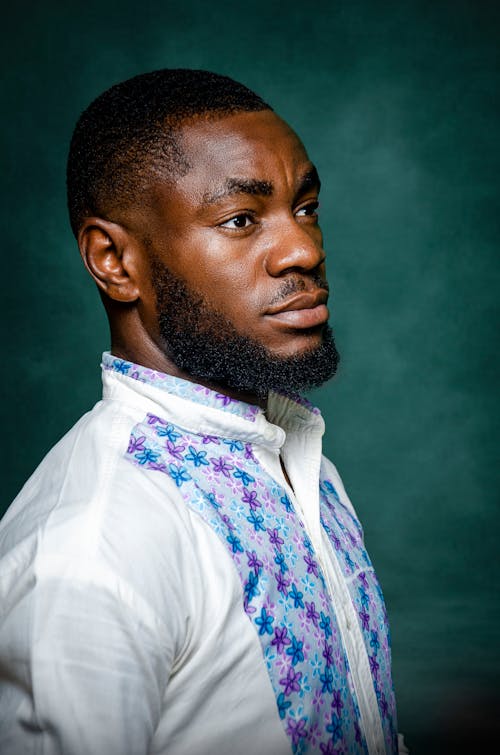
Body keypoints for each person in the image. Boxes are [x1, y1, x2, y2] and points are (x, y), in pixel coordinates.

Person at [0, 69, 406, 755]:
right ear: (114, 260)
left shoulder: (301, 461)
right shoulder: (89, 550)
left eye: (305, 207)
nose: (306, 250)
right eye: (241, 220)